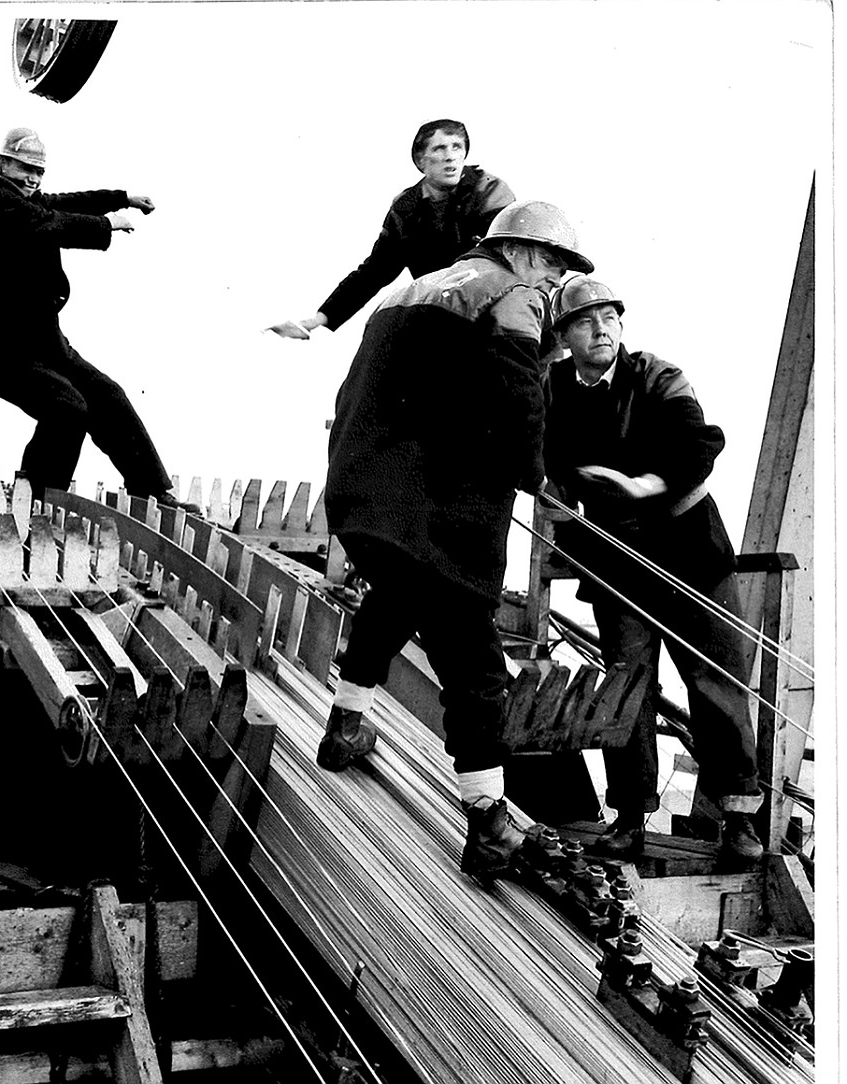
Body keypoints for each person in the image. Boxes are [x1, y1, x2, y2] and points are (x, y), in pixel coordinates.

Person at [317, 201, 593, 883]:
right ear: (526, 252)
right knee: (475, 660)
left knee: (395, 596)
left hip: (363, 494)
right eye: (556, 265)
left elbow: (371, 387)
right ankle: (488, 821)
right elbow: (518, 392)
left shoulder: (408, 289)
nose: (556, 280)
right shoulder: (515, 292)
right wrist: (541, 480)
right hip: (441, 508)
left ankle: (345, 725)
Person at [542, 276, 764, 867]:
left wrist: (649, 483)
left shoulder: (659, 376)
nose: (602, 328)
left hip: (691, 555)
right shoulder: (552, 387)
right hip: (618, 561)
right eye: (587, 321)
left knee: (716, 682)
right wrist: (561, 509)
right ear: (564, 336)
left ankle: (739, 818)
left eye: (610, 317)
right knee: (627, 686)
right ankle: (630, 815)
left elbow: (700, 444)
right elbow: (544, 464)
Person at [0, 127, 198, 511]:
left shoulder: (16, 195)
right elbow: (47, 223)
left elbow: (63, 204)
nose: (33, 178)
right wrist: (110, 223)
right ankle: (35, 505)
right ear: (3, 163)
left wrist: (121, 198)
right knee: (66, 407)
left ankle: (152, 493)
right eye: (26, 168)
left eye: (39, 171)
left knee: (106, 395)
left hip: (38, 342)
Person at [270, 119, 515, 338]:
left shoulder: (489, 190)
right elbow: (376, 270)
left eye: (457, 147)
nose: (451, 156)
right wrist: (319, 319)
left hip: (496, 311)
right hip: (440, 314)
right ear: (421, 160)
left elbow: (506, 258)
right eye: (439, 148)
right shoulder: (406, 208)